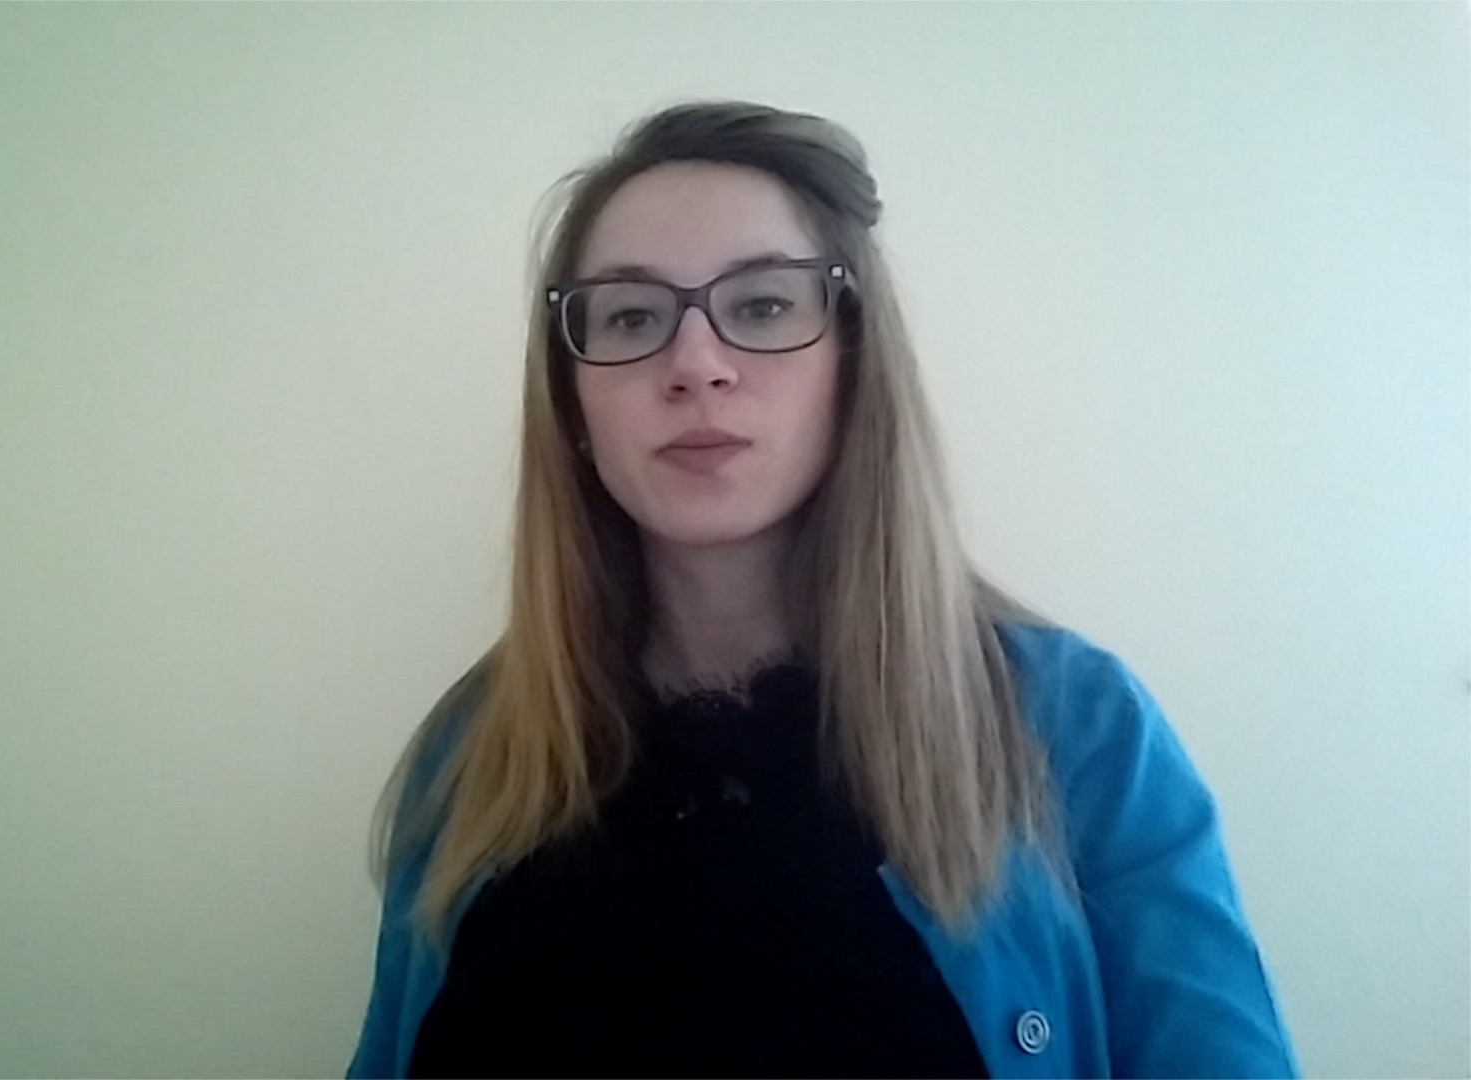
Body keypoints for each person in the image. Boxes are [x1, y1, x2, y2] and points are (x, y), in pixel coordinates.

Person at [347, 100, 1297, 1079]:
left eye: (763, 306)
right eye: (631, 316)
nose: (696, 365)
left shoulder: (1081, 733)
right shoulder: (473, 759)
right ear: (572, 400)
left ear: (856, 363)